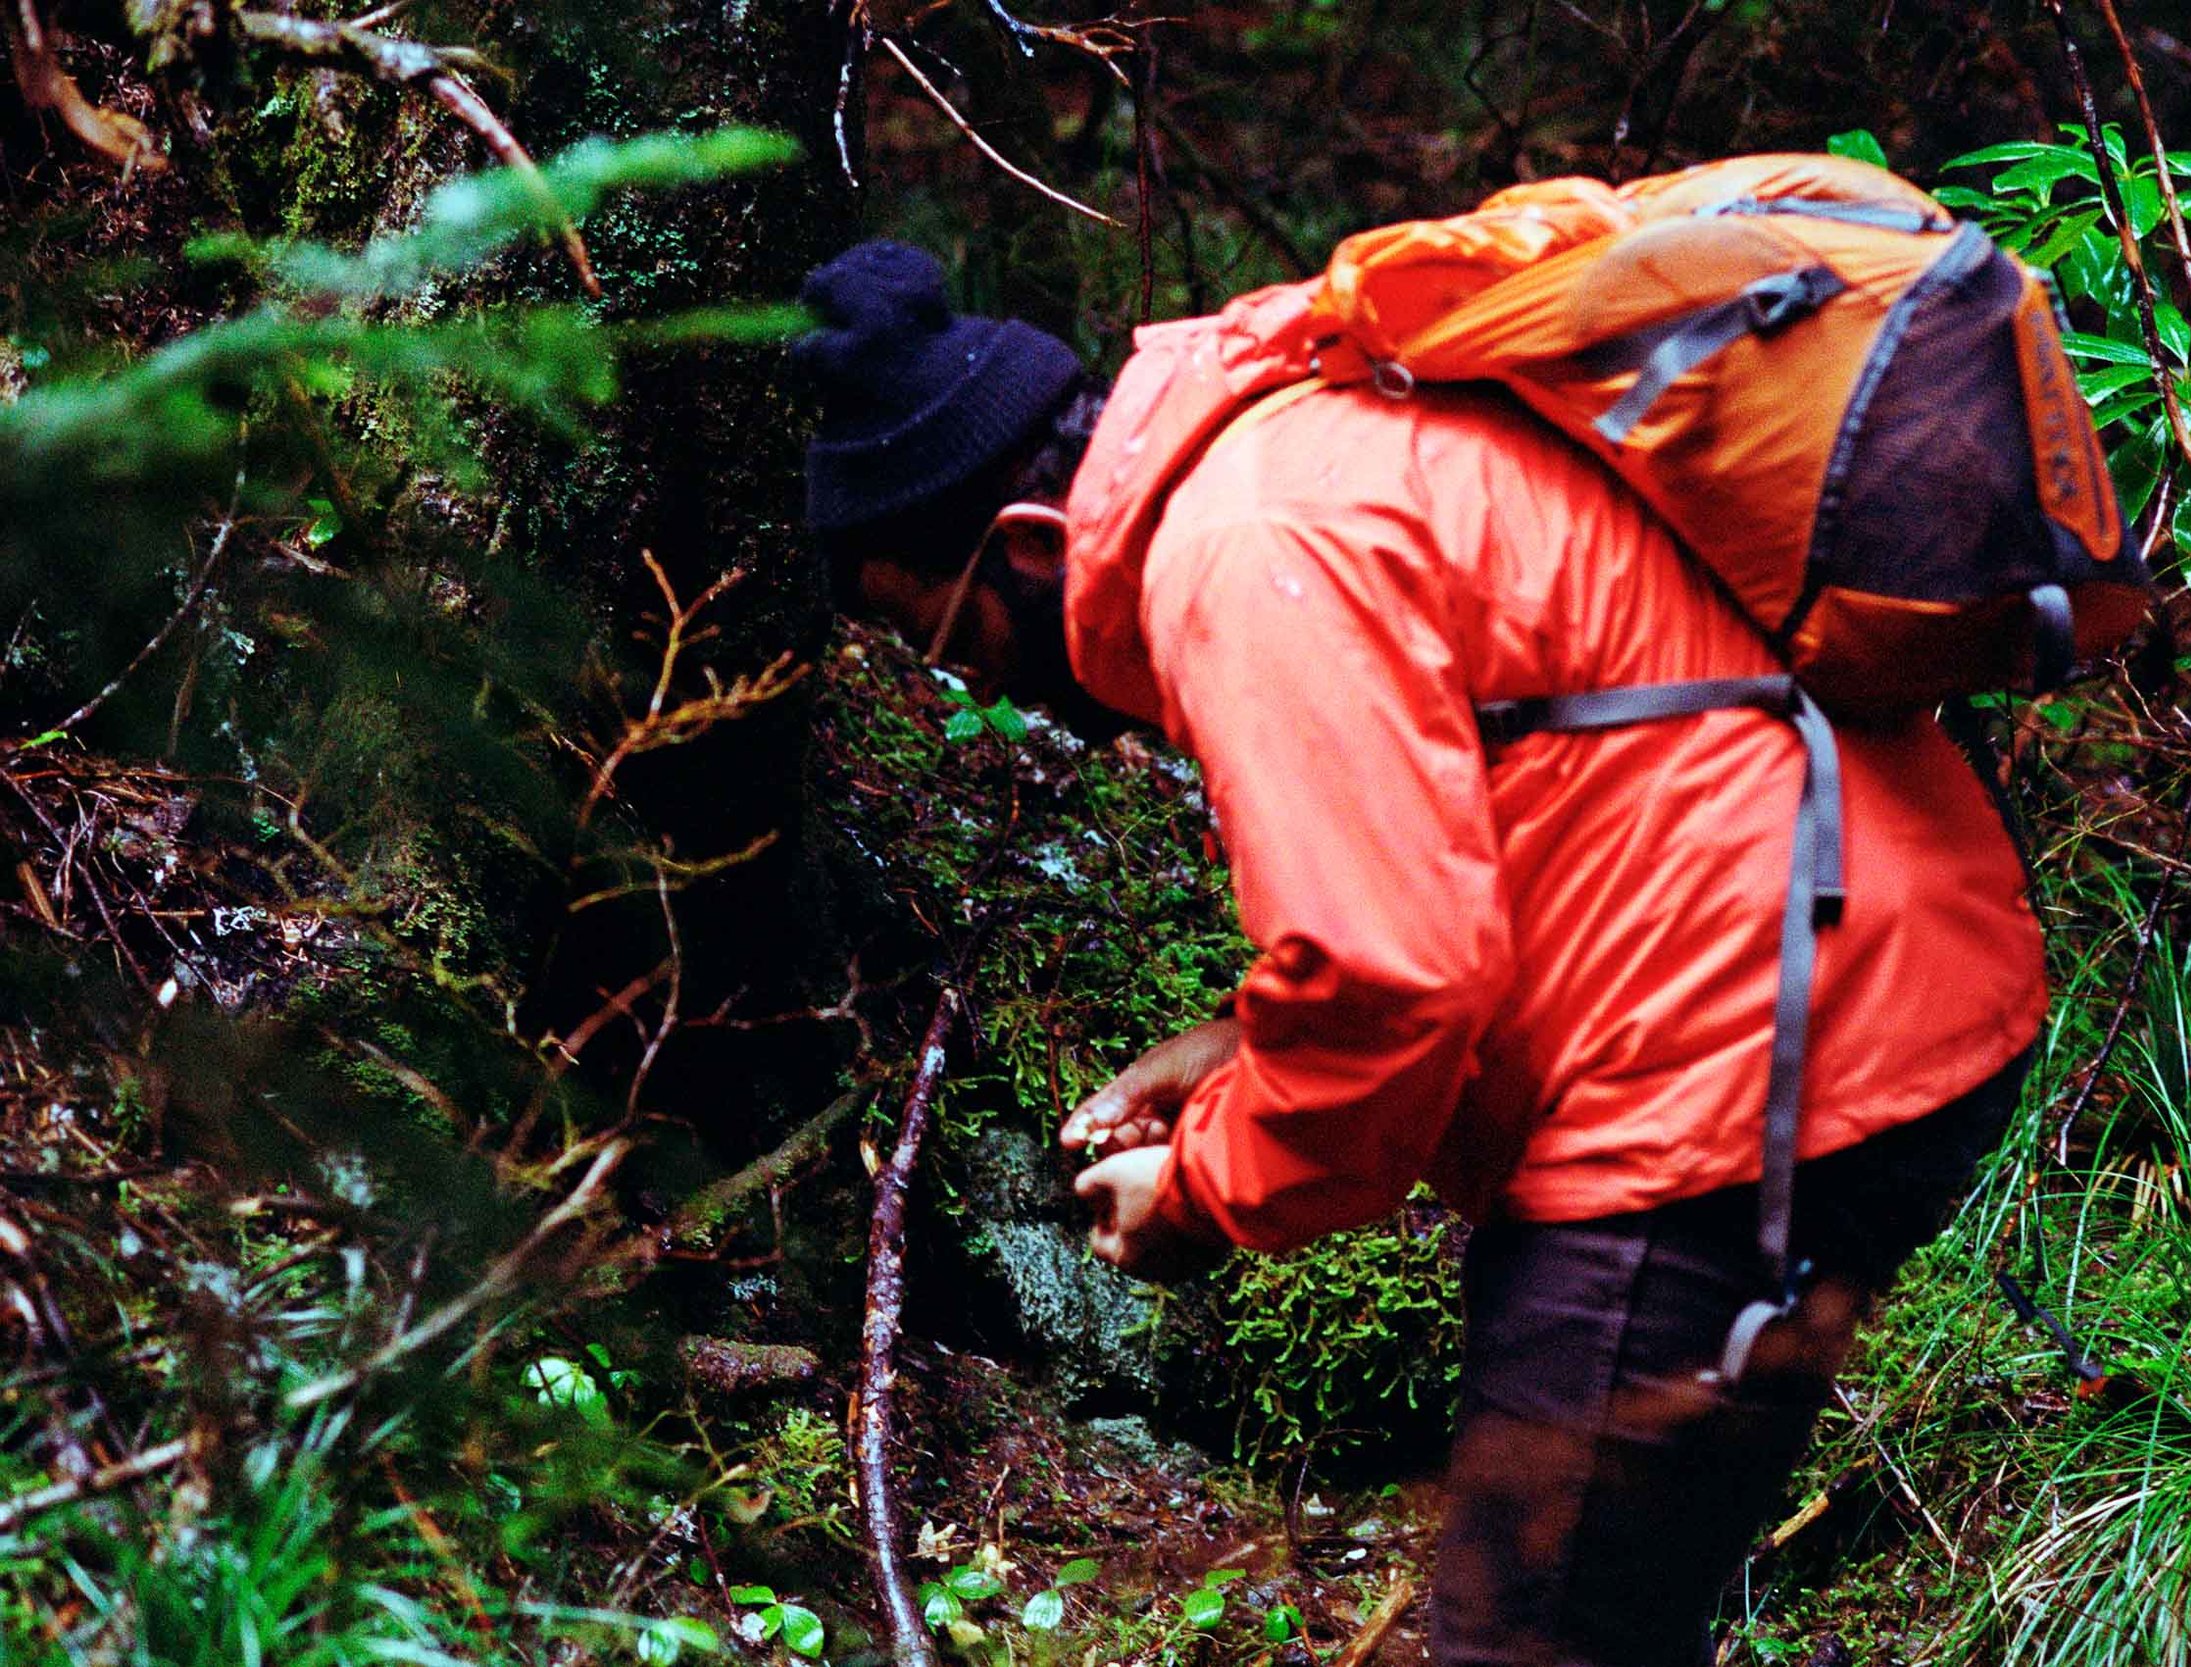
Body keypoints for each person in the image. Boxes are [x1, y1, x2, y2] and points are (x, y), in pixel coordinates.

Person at [793, 239, 2045, 1666]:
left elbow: (1390, 978)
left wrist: (1204, 1191)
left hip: (1753, 1069)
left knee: (1533, 1635)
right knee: (1600, 1601)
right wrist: (1241, 1048)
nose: (975, 687)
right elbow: (1513, 819)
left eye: (948, 642)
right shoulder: (1290, 447)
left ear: (1025, 544)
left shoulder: (1243, 546)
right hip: (1851, 1001)